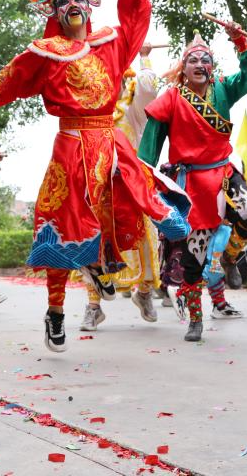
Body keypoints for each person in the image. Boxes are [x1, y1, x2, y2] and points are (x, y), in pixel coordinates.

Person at [0, 0, 191, 353]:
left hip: (109, 142)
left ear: (88, 5)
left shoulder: (110, 45)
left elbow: (135, 23)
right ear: (55, 12)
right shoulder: (44, 53)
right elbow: (3, 86)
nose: (73, 5)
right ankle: (56, 311)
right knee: (62, 225)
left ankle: (109, 270)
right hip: (71, 147)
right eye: (63, 1)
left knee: (135, 203)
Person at [139, 27, 247, 342]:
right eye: (193, 60)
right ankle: (196, 319)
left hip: (223, 173)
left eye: (205, 60)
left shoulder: (223, 90)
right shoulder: (170, 98)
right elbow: (149, 147)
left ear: (212, 67)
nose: (199, 64)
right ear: (184, 67)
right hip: (191, 184)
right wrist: (141, 176)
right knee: (194, 258)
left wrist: (240, 42)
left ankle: (230, 257)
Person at [82, 44, 162, 332]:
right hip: (98, 190)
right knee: (92, 247)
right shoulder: (86, 112)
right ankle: (93, 306)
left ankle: (143, 294)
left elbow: (149, 87)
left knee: (143, 243)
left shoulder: (131, 109)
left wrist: (144, 57)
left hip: (133, 188)